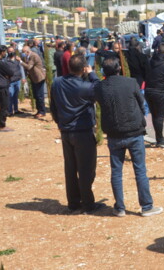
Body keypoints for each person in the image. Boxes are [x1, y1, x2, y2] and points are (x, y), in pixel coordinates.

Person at [94, 57, 164, 218]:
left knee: (116, 171)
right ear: (118, 68)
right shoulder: (130, 82)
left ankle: (119, 208)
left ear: (104, 72)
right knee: (140, 170)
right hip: (134, 131)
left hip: (114, 133)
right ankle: (146, 206)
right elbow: (141, 102)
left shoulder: (100, 87)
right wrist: (140, 117)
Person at [50, 54, 102, 214]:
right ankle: (87, 204)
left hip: (66, 131)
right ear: (84, 68)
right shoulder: (85, 87)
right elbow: (100, 90)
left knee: (70, 168)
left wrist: (59, 123)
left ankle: (73, 202)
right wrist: (92, 73)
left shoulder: (57, 83)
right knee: (86, 169)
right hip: (82, 131)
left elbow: (53, 106)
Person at [144, 43, 164, 146]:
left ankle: (159, 136)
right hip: (160, 92)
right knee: (160, 116)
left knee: (155, 115)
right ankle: (160, 139)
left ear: (157, 50)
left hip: (148, 91)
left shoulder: (148, 62)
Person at [0, 45, 21, 131]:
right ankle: (2, 125)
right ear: (2, 52)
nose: (6, 54)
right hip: (1, 86)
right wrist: (6, 76)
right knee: (4, 106)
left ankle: (1, 124)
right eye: (5, 52)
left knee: (3, 106)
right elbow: (10, 72)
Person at [21, 45, 46, 118]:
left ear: (27, 51)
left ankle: (42, 111)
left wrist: (20, 61)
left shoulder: (33, 56)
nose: (23, 53)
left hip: (39, 77)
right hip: (33, 78)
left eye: (23, 52)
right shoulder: (27, 56)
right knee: (36, 95)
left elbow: (29, 66)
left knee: (39, 95)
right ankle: (39, 110)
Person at [6, 46, 24, 117]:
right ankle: (10, 111)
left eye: (12, 51)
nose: (11, 52)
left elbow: (21, 68)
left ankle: (16, 110)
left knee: (15, 96)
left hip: (17, 80)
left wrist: (23, 77)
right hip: (10, 81)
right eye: (9, 51)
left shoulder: (17, 60)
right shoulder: (5, 60)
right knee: (10, 95)